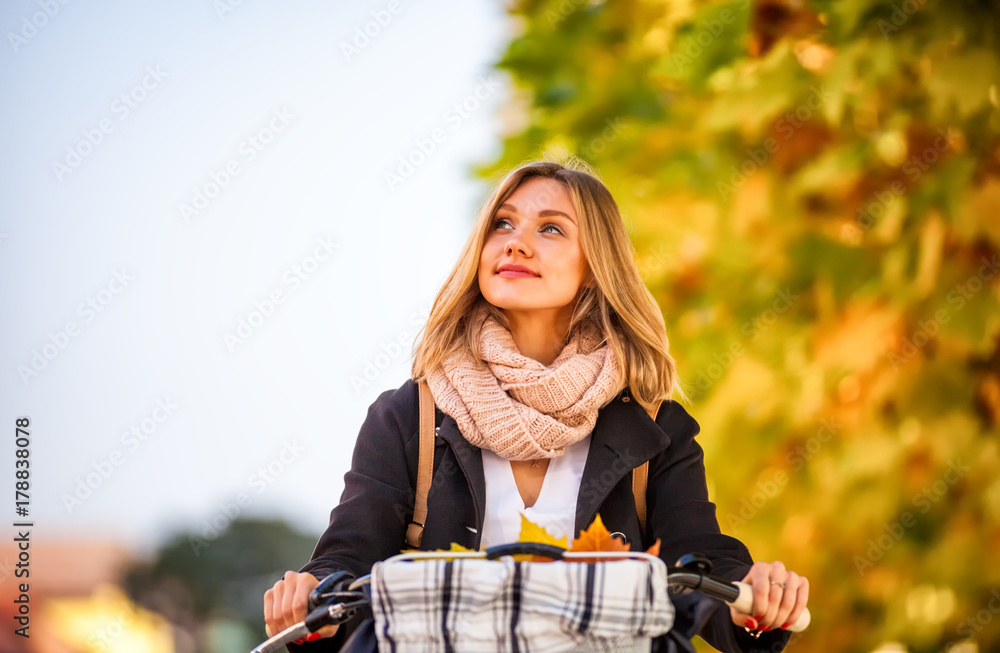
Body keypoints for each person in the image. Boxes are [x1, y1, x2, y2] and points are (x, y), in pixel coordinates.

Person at [263, 159, 810, 652]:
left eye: (550, 228)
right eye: (503, 223)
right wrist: (314, 596)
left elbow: (701, 560)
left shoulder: (656, 426)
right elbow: (348, 559)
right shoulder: (407, 415)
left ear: (595, 266)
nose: (517, 243)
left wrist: (757, 600)